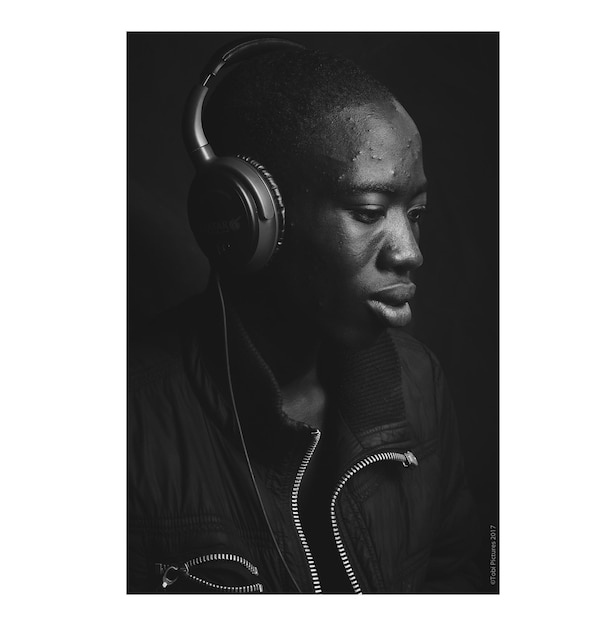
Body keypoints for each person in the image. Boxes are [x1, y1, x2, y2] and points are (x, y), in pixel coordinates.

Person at [128, 38, 481, 593]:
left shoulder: (420, 382)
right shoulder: (126, 425)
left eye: (415, 214)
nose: (410, 251)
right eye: (369, 212)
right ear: (247, 221)